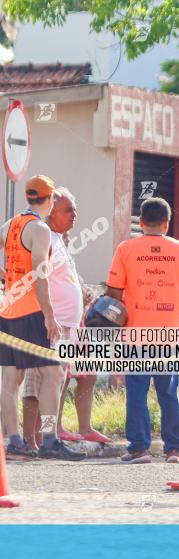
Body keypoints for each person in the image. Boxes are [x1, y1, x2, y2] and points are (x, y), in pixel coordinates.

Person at [105, 197, 179, 465]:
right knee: (168, 391)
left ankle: (140, 449)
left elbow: (113, 294)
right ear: (167, 224)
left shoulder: (125, 249)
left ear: (142, 222)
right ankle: (173, 450)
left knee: (136, 391)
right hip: (169, 335)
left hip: (134, 334)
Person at [0, 175, 84, 460]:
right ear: (48, 200)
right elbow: (40, 269)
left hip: (9, 311)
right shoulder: (40, 228)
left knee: (11, 380)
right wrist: (49, 314)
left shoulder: (12, 224)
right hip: (30, 311)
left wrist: (6, 278)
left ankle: (13, 441)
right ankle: (49, 438)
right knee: (55, 373)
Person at [21, 188, 108, 447]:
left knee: (53, 387)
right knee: (36, 388)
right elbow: (38, 277)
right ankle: (31, 439)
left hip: (67, 327)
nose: (75, 215)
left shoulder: (58, 240)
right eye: (68, 210)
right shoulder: (43, 237)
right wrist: (48, 316)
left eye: (75, 209)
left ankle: (47, 437)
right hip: (50, 325)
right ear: (51, 211)